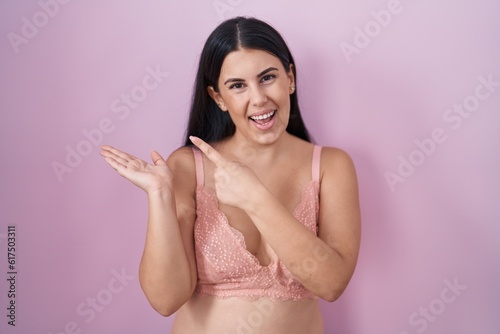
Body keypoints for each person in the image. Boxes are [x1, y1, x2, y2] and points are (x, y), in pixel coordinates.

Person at [100, 16, 360, 334]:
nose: (259, 98)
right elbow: (165, 300)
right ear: (218, 97)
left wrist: (256, 199)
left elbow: (331, 284)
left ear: (290, 78)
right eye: (238, 86)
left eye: (268, 78)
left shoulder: (332, 166)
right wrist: (160, 198)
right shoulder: (187, 166)